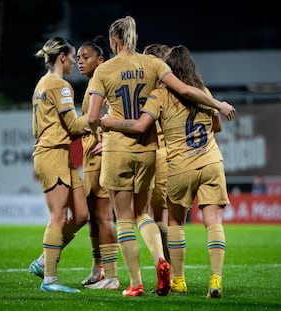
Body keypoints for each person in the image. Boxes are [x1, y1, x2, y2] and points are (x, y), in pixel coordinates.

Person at [87, 15, 235, 297]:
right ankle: (190, 270)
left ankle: (142, 282)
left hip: (137, 152)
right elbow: (195, 101)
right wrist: (217, 104)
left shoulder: (110, 72)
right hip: (178, 155)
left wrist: (102, 129)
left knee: (136, 219)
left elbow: (102, 118)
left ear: (113, 40)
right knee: (154, 215)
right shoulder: (164, 71)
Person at [29, 36, 90, 293]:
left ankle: (45, 259)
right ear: (62, 56)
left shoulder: (42, 84)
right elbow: (75, 126)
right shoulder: (60, 85)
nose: (76, 62)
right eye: (74, 56)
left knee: (81, 215)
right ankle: (50, 279)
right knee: (58, 216)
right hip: (52, 153)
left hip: (59, 154)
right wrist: (99, 115)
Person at [76, 35, 119, 290]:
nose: (80, 62)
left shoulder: (103, 83)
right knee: (94, 215)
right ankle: (98, 269)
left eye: (86, 57)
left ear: (100, 60)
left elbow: (114, 113)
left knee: (103, 216)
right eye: (79, 57)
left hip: (100, 157)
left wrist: (109, 140)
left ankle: (112, 276)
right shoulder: (93, 83)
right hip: (91, 156)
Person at [142, 43, 172, 264]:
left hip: (154, 152)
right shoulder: (176, 89)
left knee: (141, 213)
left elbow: (140, 125)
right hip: (172, 154)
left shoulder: (155, 94)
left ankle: (166, 267)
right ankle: (172, 273)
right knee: (166, 215)